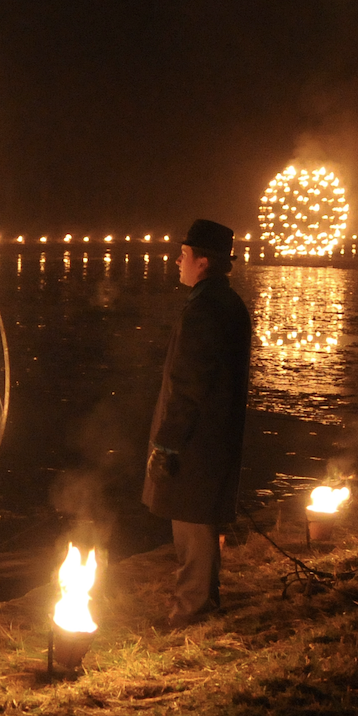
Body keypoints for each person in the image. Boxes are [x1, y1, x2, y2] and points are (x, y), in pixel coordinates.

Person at [144, 219, 253, 627]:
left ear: (203, 262)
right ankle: (204, 599)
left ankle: (191, 610)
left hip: (196, 441)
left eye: (184, 255)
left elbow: (188, 385)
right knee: (200, 519)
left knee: (193, 523)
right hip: (213, 435)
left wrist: (167, 443)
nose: (177, 261)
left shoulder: (204, 310)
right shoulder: (226, 304)